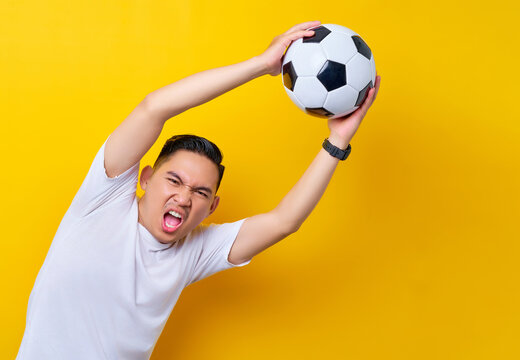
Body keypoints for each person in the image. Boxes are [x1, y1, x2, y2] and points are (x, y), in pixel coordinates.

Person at [16, 20, 381, 359]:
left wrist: (336, 141)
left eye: (200, 193)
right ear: (144, 179)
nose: (184, 197)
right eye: (174, 181)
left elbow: (284, 221)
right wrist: (260, 65)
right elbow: (154, 108)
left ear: (211, 207)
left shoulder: (193, 251)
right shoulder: (102, 201)